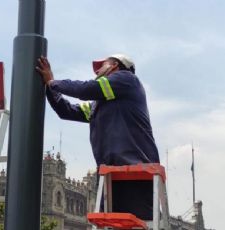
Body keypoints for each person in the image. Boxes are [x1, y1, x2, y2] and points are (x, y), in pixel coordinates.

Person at [36, 54, 160, 220]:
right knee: (113, 222)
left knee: (141, 220)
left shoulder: (127, 80)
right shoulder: (100, 105)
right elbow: (66, 110)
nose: (98, 72)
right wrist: (49, 87)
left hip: (135, 169)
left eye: (102, 66)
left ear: (114, 66)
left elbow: (87, 89)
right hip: (111, 173)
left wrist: (53, 82)